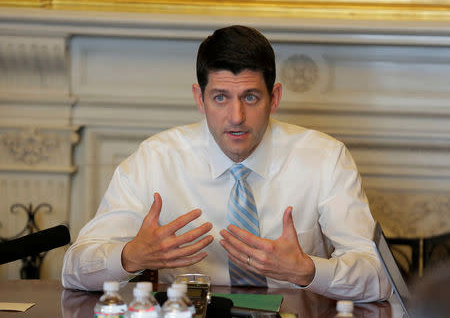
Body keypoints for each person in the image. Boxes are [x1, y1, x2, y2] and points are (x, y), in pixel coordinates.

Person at [62, 25, 391, 301]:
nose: (236, 117)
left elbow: (378, 277)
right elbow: (74, 268)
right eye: (220, 97)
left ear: (274, 98)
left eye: (251, 97)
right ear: (199, 98)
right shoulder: (155, 159)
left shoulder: (325, 158)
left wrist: (306, 270)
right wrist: (130, 256)